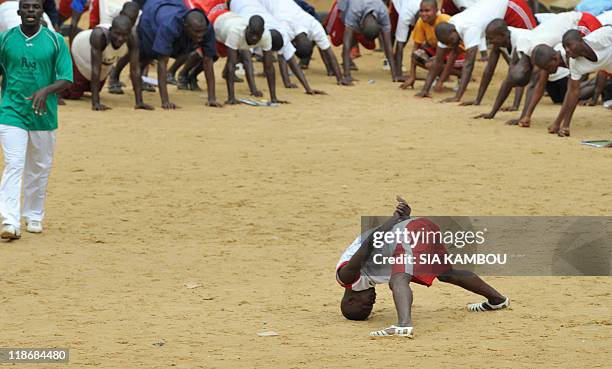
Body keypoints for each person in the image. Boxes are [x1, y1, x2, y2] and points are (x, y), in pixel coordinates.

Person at [337, 197, 509, 337]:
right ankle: (497, 300)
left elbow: (370, 243)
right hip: (420, 228)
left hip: (407, 232)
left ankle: (403, 325)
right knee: (446, 273)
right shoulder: (366, 279)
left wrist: (396, 217)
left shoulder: (346, 276)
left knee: (399, 279)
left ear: (352, 300)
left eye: (366, 306)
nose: (373, 302)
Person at [0, 0, 72, 239]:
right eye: (27, 7)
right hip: (12, 112)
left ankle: (33, 215)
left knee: (39, 168)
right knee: (14, 164)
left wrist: (46, 91)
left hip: (43, 115)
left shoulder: (55, 41)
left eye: (36, 7)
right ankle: (9, 221)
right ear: (19, 12)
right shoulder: (6, 39)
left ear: (42, 12)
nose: (31, 11)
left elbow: (66, 78)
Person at [474, 11, 601, 123]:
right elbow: (511, 80)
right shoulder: (523, 48)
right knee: (562, 91)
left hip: (582, 22)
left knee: (598, 60)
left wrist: (524, 116)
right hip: (570, 24)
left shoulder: (537, 50)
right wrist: (493, 113)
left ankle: (603, 83)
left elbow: (536, 85)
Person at [416, 0, 535, 101]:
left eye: (451, 41)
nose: (451, 45)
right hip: (494, 22)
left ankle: (541, 85)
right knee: (507, 61)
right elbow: (438, 60)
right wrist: (425, 89)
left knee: (531, 47)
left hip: (511, 7)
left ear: (453, 31)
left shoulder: (469, 28)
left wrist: (457, 97)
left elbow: (469, 64)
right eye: (447, 43)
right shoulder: (446, 31)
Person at [228, 0, 326, 95]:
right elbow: (247, 61)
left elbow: (292, 62)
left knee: (239, 50)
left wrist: (308, 88)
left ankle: (226, 72)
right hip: (236, 3)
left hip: (256, 6)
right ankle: (228, 72)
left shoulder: (282, 34)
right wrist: (253, 90)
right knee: (236, 47)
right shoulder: (248, 30)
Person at [137, 0, 221, 108]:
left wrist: (212, 98)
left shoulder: (207, 28)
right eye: (196, 32)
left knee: (187, 52)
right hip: (152, 15)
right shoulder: (169, 27)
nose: (200, 36)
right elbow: (162, 63)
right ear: (185, 26)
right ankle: (120, 78)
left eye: (202, 32)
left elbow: (208, 60)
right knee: (148, 55)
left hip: (174, 6)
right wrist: (165, 101)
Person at [62, 15, 153, 111]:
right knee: (72, 92)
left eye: (124, 35)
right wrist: (96, 103)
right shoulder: (99, 36)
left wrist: (139, 102)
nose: (120, 38)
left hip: (104, 60)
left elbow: (135, 70)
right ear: (110, 30)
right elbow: (96, 70)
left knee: (92, 86)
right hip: (80, 52)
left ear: (129, 33)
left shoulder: (133, 39)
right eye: (117, 34)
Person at [258, 0, 344, 84]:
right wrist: (287, 83)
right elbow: (282, 57)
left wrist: (340, 78)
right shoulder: (284, 29)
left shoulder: (314, 25)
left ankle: (266, 70)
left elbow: (329, 51)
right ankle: (266, 71)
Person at [547, 27, 612, 136]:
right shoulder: (575, 64)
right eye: (564, 47)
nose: (567, 50)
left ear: (581, 40)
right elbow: (573, 92)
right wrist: (565, 126)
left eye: (569, 45)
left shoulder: (600, 37)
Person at [325, 0, 400, 85]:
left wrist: (395, 75)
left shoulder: (383, 13)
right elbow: (346, 44)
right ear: (361, 26)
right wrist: (347, 76)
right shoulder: (354, 11)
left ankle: (348, 61)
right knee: (337, 40)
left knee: (370, 45)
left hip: (359, 13)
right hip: (343, 8)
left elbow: (388, 46)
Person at [400, 0, 465, 91]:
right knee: (416, 55)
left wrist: (441, 81)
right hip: (440, 52)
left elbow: (454, 50)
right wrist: (412, 76)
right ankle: (439, 74)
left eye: (427, 11)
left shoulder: (445, 20)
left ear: (436, 11)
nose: (423, 14)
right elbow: (416, 47)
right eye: (421, 11)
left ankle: (461, 75)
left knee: (432, 63)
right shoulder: (421, 22)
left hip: (458, 54)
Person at [390, 0, 421, 80]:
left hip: (410, 8)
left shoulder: (435, 13)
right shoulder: (405, 14)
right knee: (395, 34)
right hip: (397, 5)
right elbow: (399, 44)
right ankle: (393, 64)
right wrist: (399, 75)